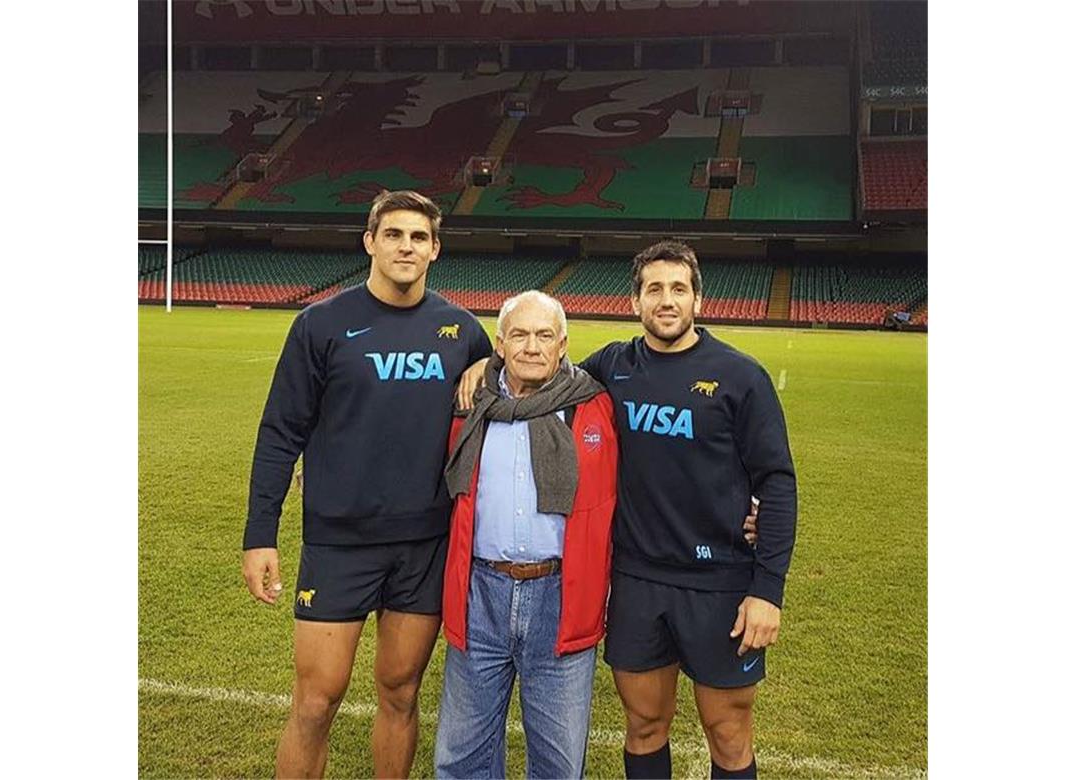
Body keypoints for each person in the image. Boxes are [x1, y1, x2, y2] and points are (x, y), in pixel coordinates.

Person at [458, 240, 796, 779]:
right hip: (637, 579)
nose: (667, 300)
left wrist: (766, 590)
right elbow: (542, 368)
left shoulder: (740, 376)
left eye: (678, 289)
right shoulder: (612, 367)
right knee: (643, 724)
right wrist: (486, 362)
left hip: (721, 581)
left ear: (698, 301)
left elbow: (777, 482)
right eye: (654, 289)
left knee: (728, 732)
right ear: (635, 301)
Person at [242, 190, 493, 778]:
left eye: (418, 237)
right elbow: (281, 431)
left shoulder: (461, 330)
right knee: (315, 700)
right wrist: (261, 535)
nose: (406, 246)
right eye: (393, 234)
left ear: (435, 249)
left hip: (423, 544)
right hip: (339, 543)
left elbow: (516, 388)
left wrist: (492, 364)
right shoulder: (322, 323)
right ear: (370, 242)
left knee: (401, 692)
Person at [434, 291, 618, 778]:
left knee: (557, 764)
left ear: (563, 344)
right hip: (481, 595)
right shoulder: (471, 404)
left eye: (543, 336)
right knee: (461, 757)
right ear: (499, 344)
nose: (531, 346)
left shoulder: (595, 405)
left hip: (560, 598)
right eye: (519, 334)